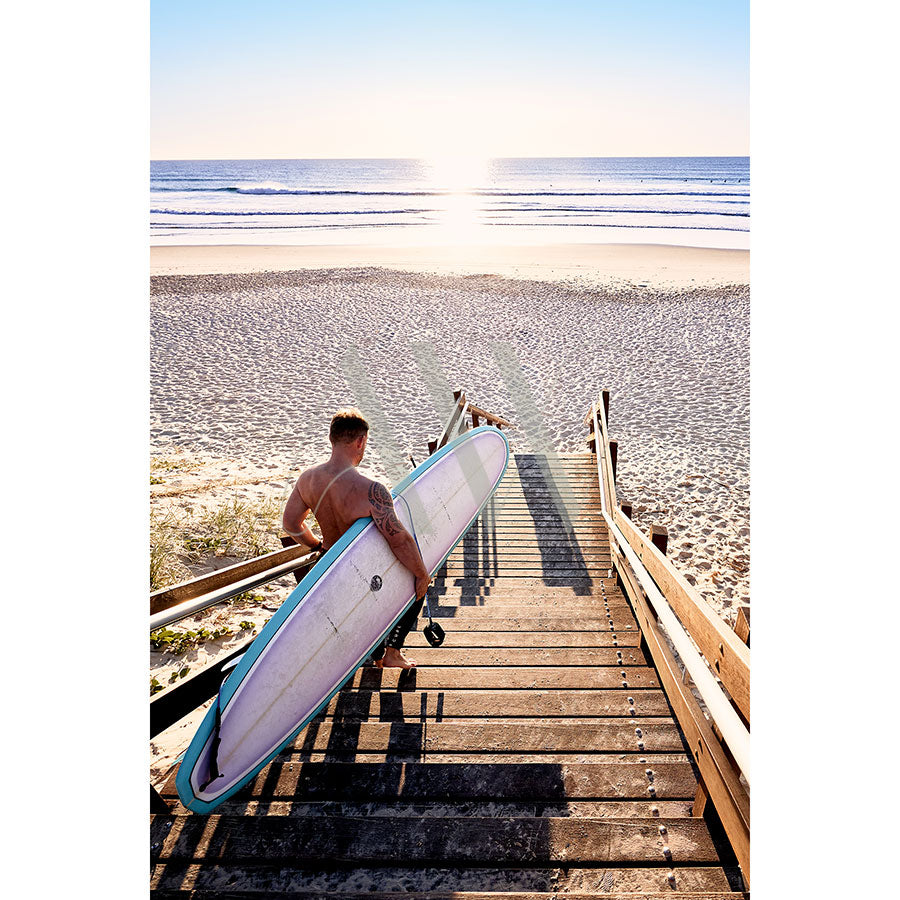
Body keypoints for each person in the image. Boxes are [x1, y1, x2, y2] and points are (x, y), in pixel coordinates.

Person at [282, 407, 431, 669]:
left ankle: (375, 656)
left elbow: (291, 524)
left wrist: (317, 545)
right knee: (416, 582)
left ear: (332, 439)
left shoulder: (308, 479)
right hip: (364, 573)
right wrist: (421, 573)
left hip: (330, 570)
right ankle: (392, 653)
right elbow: (399, 540)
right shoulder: (371, 490)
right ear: (361, 441)